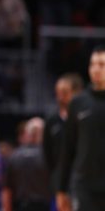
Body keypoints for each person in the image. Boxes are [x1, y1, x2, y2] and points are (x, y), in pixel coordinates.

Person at [57, 46, 105, 211]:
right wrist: (61, 189)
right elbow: (68, 148)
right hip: (84, 185)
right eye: (93, 64)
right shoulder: (78, 103)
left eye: (102, 64)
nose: (96, 69)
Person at [42, 73, 83, 207]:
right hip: (59, 184)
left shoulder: (85, 118)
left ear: (78, 92)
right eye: (57, 93)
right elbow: (47, 154)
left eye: (65, 92)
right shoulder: (52, 121)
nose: (60, 97)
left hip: (82, 181)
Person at [2, 117, 51, 211]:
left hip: (20, 206)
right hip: (43, 206)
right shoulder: (48, 156)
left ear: (28, 133)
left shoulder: (15, 155)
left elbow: (7, 190)